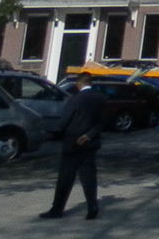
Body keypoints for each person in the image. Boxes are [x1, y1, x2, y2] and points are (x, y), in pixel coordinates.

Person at [39, 71, 106, 220]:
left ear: (79, 83)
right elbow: (102, 122)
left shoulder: (75, 99)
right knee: (89, 177)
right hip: (90, 142)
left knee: (66, 178)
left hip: (73, 142)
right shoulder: (101, 99)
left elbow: (65, 121)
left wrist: (55, 132)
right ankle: (92, 206)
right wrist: (89, 135)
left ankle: (57, 209)